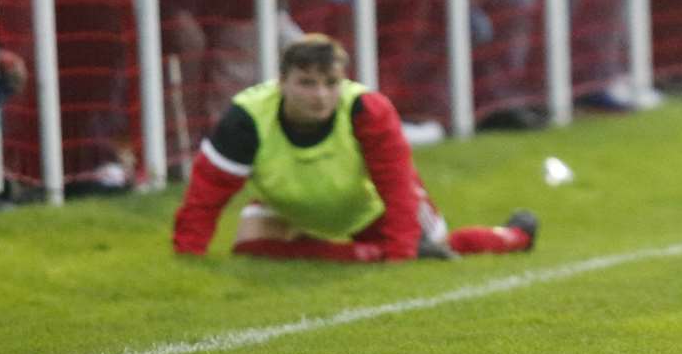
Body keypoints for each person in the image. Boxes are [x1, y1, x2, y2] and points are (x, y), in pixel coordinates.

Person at [172, 35, 538, 262]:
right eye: (307, 83)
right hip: (288, 208)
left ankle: (513, 238)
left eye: (330, 83)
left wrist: (399, 253)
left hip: (366, 209)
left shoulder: (367, 110)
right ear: (281, 81)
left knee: (440, 245)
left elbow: (396, 184)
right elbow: (207, 191)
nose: (321, 96)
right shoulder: (247, 117)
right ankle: (362, 256)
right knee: (249, 250)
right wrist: (187, 255)